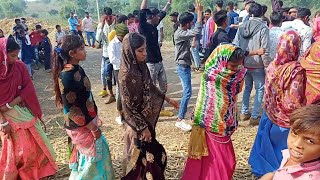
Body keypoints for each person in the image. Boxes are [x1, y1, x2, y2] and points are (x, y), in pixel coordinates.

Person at [52, 35, 115, 179]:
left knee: (91, 158)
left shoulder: (76, 69)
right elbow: (72, 108)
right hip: (82, 125)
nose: (85, 50)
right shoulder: (67, 75)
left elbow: (84, 97)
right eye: (81, 48)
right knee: (92, 162)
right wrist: (93, 128)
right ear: (71, 53)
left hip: (86, 122)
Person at [182, 44, 247, 180]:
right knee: (222, 162)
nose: (235, 70)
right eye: (233, 66)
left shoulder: (234, 77)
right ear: (222, 62)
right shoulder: (211, 76)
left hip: (225, 125)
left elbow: (232, 97)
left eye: (238, 66)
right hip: (209, 126)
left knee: (224, 163)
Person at [119, 33, 179, 179]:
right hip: (136, 125)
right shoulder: (126, 75)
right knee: (140, 159)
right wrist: (143, 128)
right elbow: (128, 108)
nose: (145, 53)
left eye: (145, 49)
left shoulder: (141, 65)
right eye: (140, 50)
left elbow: (150, 86)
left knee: (153, 155)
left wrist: (167, 99)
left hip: (146, 119)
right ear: (129, 51)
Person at [249, 30, 306, 177]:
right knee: (283, 154)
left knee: (267, 149)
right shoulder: (296, 70)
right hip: (285, 122)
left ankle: (264, 173)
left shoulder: (272, 65)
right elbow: (294, 100)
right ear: (296, 47)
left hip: (269, 115)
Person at [0, 37, 57, 179]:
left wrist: (10, 104)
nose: (15, 59)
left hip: (21, 110)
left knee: (34, 144)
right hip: (6, 119)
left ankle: (36, 172)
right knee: (18, 150)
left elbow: (28, 89)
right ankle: (16, 173)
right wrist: (3, 121)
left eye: (17, 55)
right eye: (12, 56)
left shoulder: (20, 67)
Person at [233, 2, 272, 125]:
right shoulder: (263, 28)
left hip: (244, 63)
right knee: (260, 89)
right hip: (258, 64)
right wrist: (267, 66)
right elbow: (265, 49)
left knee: (247, 88)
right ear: (261, 13)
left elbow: (236, 46)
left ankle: (244, 113)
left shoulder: (242, 27)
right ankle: (255, 116)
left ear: (249, 13)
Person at [260, 105, 320, 180]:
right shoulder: (289, 155)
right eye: (294, 133)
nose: (296, 144)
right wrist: (271, 175)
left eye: (309, 141)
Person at [174, 2, 202, 131]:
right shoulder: (180, 33)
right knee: (187, 92)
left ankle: (181, 117)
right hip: (182, 65)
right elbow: (196, 31)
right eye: (190, 22)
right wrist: (199, 14)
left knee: (187, 92)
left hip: (184, 64)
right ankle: (180, 119)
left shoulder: (182, 31)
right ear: (186, 23)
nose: (192, 24)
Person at [139, 0, 171, 101]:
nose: (159, 18)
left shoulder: (154, 25)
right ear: (152, 17)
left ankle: (160, 107)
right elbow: (142, 11)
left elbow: (163, 13)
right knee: (151, 86)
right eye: (157, 17)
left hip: (159, 61)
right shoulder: (144, 28)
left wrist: (168, 3)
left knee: (164, 86)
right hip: (150, 63)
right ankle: (151, 107)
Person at [108, 23, 129, 125]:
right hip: (118, 70)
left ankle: (128, 113)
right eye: (123, 36)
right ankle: (119, 114)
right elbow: (112, 59)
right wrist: (123, 62)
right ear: (118, 34)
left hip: (127, 69)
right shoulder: (112, 44)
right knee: (121, 92)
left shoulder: (125, 42)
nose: (124, 38)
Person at [96, 7, 116, 102]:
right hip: (106, 55)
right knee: (107, 75)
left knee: (118, 75)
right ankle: (110, 94)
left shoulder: (116, 24)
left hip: (116, 55)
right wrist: (102, 25)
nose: (108, 19)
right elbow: (97, 41)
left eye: (110, 17)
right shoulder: (101, 26)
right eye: (106, 17)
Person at [188, 3, 202, 71]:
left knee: (194, 51)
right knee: (195, 51)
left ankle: (197, 66)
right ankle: (197, 65)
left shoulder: (192, 16)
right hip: (197, 36)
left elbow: (194, 29)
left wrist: (193, 41)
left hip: (194, 37)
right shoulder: (196, 15)